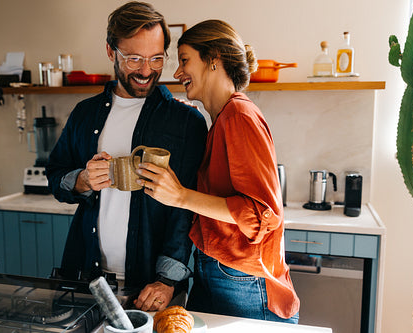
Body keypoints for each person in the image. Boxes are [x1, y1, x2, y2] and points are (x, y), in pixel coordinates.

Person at [45, 1, 207, 312]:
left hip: (151, 288)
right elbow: (55, 175)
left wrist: (168, 280)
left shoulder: (187, 122)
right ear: (111, 51)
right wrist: (81, 180)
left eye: (156, 58)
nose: (147, 71)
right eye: (134, 58)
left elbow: (189, 210)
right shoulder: (84, 113)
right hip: (86, 278)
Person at [135, 20, 300, 323]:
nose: (177, 72)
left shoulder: (238, 116)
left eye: (184, 60)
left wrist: (181, 197)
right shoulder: (223, 119)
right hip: (225, 273)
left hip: (243, 281)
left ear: (214, 59)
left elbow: (260, 215)